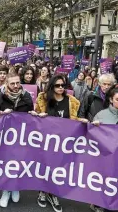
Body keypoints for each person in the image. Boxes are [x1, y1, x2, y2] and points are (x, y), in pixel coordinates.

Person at [33, 74, 80, 212]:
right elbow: (33, 118)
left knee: (58, 169)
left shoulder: (72, 101)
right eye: (57, 85)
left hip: (63, 142)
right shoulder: (43, 99)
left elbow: (74, 120)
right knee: (45, 167)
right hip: (46, 140)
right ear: (52, 86)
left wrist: (81, 121)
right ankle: (43, 191)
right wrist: (38, 116)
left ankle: (53, 194)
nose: (60, 88)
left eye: (63, 85)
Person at [0, 72, 33, 208]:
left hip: (22, 136)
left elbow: (30, 115)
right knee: (7, 164)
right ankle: (6, 190)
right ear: (7, 84)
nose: (16, 86)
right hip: (6, 137)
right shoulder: (0, 98)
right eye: (12, 83)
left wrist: (33, 115)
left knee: (19, 163)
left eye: (18, 83)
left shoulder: (27, 96)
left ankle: (15, 187)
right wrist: (0, 115)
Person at [90, 85, 118, 212]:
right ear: (111, 100)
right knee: (105, 182)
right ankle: (100, 203)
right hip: (105, 159)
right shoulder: (101, 115)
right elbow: (91, 140)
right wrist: (93, 128)